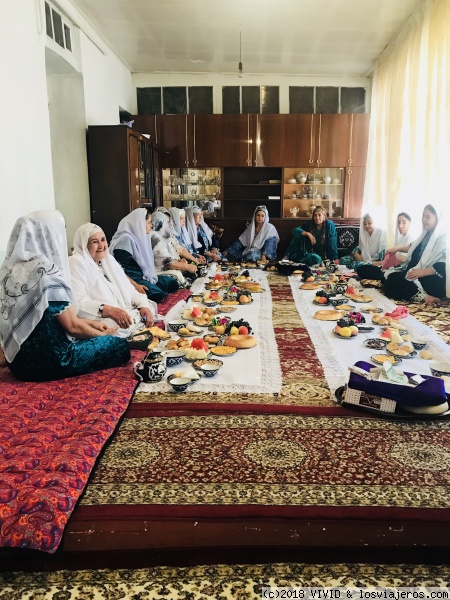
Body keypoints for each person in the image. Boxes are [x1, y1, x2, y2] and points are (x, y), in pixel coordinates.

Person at [0, 210, 129, 381]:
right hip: (53, 361)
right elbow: (72, 327)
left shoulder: (6, 272)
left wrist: (93, 324)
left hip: (18, 364)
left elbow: (49, 319)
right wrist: (106, 336)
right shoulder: (45, 272)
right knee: (118, 345)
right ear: (48, 236)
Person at [69, 223, 156, 337]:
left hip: (124, 310)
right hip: (101, 315)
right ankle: (133, 325)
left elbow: (130, 290)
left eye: (103, 240)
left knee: (149, 305)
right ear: (85, 245)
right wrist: (108, 310)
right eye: (95, 242)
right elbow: (78, 302)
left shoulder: (108, 260)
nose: (101, 245)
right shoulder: (76, 262)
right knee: (110, 325)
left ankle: (133, 324)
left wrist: (143, 305)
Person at [109, 208, 179, 303]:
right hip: (132, 280)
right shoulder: (125, 239)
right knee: (157, 295)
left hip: (144, 276)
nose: (151, 225)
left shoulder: (141, 236)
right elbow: (119, 270)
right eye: (149, 222)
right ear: (140, 223)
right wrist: (135, 285)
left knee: (172, 282)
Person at [382, 204, 446, 306]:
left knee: (395, 283)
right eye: (423, 216)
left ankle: (427, 297)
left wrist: (423, 272)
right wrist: (397, 248)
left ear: (438, 219)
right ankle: (420, 294)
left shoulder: (444, 238)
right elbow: (413, 246)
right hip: (416, 273)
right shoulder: (426, 234)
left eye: (428, 217)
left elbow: (444, 265)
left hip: (430, 278)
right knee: (389, 278)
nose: (424, 220)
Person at [357, 212, 413, 279]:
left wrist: (381, 262)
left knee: (368, 271)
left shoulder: (410, 237)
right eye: (398, 222)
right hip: (391, 267)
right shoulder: (400, 237)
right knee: (363, 270)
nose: (400, 226)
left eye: (404, 222)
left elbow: (403, 259)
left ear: (410, 223)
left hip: (401, 270)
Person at [150, 211, 198, 285]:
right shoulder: (155, 238)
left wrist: (179, 262)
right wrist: (187, 266)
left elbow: (171, 256)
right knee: (177, 277)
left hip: (164, 268)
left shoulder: (162, 237)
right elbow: (167, 263)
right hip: (157, 272)